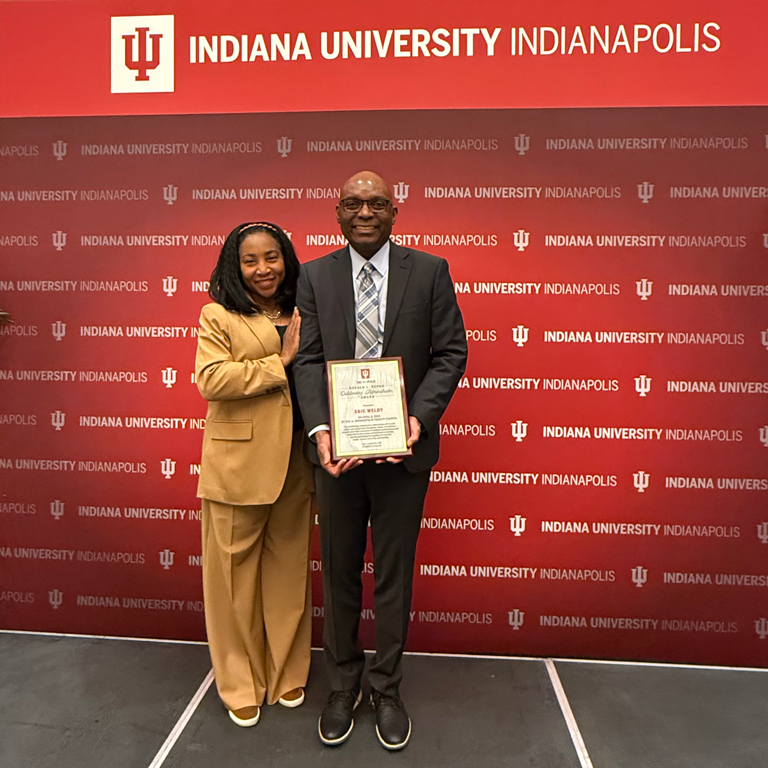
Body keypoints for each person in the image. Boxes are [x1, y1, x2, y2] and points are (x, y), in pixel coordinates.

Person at [293, 171, 467, 750]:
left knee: (393, 576)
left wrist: (417, 417)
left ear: (395, 212)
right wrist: (320, 430)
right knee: (339, 573)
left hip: (404, 455)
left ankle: (387, 687)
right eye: (353, 203)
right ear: (336, 213)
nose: (364, 212)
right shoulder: (314, 276)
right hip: (336, 458)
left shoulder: (431, 271)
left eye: (376, 203)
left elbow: (450, 353)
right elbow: (309, 360)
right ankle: (343, 685)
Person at [195, 221, 314, 727]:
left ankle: (286, 670)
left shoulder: (305, 311)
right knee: (231, 579)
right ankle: (239, 680)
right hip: (238, 466)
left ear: (286, 259)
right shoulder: (218, 313)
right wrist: (277, 361)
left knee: (288, 572)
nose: (263, 269)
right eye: (250, 260)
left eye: (272, 257)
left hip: (297, 462)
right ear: (234, 265)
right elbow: (210, 379)